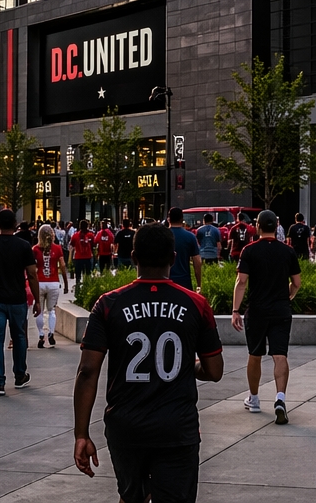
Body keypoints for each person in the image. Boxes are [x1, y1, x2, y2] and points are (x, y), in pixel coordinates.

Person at [74, 224, 223, 502]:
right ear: (174, 258)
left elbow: (87, 372)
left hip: (126, 426)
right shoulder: (196, 304)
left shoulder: (108, 304)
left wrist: (81, 434)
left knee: (131, 496)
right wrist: (185, 365)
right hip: (177, 428)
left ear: (133, 257)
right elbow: (214, 371)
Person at [232, 210, 301, 424]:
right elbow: (297, 282)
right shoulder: (287, 251)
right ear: (276, 225)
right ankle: (280, 398)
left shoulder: (249, 251)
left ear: (258, 226)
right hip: (281, 309)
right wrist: (288, 295)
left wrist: (235, 310)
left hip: (258, 310)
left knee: (255, 354)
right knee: (280, 355)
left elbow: (241, 282)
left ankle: (254, 399)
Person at [0, 209, 41, 396]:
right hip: (17, 299)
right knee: (19, 337)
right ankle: (19, 375)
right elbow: (32, 275)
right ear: (14, 224)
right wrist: (36, 300)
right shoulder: (23, 246)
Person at [34, 225, 66, 347]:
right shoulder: (57, 249)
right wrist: (66, 283)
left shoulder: (35, 249)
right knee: (52, 310)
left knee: (40, 311)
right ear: (52, 235)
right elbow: (62, 266)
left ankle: (41, 334)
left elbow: (32, 269)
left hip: (39, 282)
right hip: (53, 282)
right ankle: (51, 333)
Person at [166, 208, 202, 291]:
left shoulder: (162, 236)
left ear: (168, 219)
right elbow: (197, 262)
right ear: (182, 219)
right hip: (184, 281)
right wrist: (199, 284)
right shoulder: (190, 237)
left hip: (165, 281)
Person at [194, 214, 222, 291]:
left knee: (203, 274)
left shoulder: (199, 230)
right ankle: (212, 288)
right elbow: (219, 245)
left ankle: (203, 288)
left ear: (204, 220)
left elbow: (197, 243)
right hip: (213, 254)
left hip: (203, 254)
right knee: (213, 274)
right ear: (212, 220)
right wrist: (218, 255)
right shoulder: (216, 230)